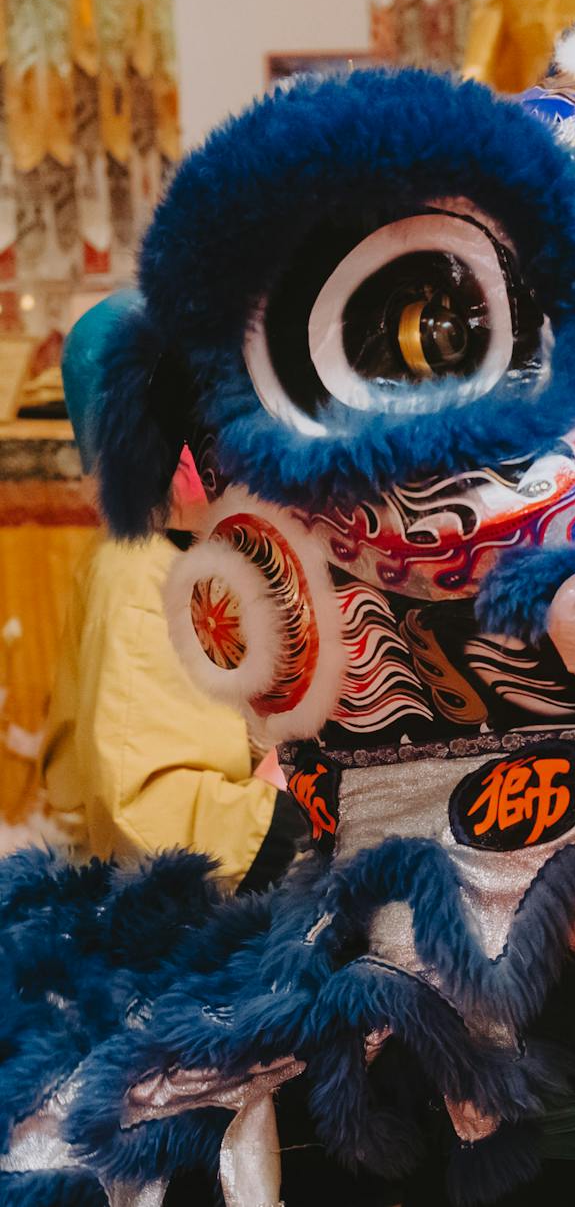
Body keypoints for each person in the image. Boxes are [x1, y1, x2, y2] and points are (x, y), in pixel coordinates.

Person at [38, 293, 306, 891]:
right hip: (172, 915)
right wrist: (299, 789)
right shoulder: (140, 571)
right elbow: (151, 816)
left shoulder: (214, 542)